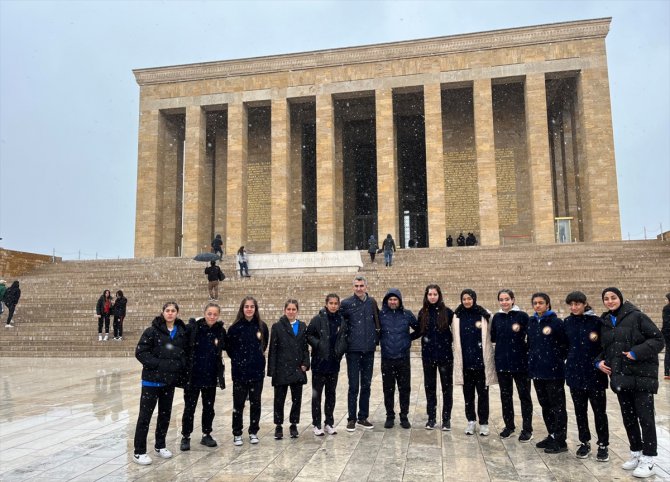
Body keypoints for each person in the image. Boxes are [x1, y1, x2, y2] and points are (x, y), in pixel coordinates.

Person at [597, 287, 664, 478]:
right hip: (621, 377)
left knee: (646, 418)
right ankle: (636, 452)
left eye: (613, 298)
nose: (610, 301)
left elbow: (658, 339)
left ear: (620, 298)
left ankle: (649, 459)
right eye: (606, 299)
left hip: (641, 376)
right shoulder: (606, 322)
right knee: (628, 418)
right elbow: (607, 348)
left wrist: (636, 352)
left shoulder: (637, 316)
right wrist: (599, 361)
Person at [132, 301, 187, 465]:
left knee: (165, 414)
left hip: (168, 382)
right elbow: (140, 352)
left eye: (173, 311)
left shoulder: (180, 333)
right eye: (167, 310)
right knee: (145, 416)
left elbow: (183, 353)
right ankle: (139, 451)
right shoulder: (152, 331)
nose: (170, 313)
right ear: (163, 312)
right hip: (151, 381)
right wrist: (159, 364)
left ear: (177, 313)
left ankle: (160, 444)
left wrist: (179, 366)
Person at [564, 291, 609, 461]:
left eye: (577, 304)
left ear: (585, 304)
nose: (574, 307)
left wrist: (600, 362)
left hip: (595, 375)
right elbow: (564, 346)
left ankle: (603, 444)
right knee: (580, 411)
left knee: (599, 412)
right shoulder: (567, 322)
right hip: (575, 375)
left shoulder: (597, 322)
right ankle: (584, 442)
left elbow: (605, 346)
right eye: (571, 304)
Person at [180, 303, 227, 452]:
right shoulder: (193, 328)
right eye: (209, 314)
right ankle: (186, 436)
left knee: (209, 407)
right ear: (204, 313)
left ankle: (206, 434)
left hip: (211, 375)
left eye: (215, 314)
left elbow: (228, 346)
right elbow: (182, 346)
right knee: (190, 407)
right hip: (193, 375)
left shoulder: (220, 331)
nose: (212, 317)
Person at [490, 289, 533, 442]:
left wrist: (524, 351)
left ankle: (527, 429)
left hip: (520, 363)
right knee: (505, 396)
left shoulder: (522, 316)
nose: (504, 302)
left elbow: (531, 336)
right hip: (502, 362)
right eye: (501, 300)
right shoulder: (497, 317)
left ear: (513, 300)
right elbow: (493, 336)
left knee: (524, 396)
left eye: (507, 299)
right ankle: (509, 426)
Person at [528, 292, 568, 454]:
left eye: (541, 303)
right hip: (537, 371)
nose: (538, 305)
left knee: (557, 406)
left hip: (553, 372)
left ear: (548, 304)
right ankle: (551, 434)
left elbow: (565, 345)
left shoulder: (556, 323)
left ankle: (560, 440)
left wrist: (555, 359)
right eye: (535, 303)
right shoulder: (531, 322)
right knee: (545, 405)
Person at [226, 296, 269, 446]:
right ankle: (237, 432)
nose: (249, 309)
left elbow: (263, 346)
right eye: (246, 306)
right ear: (242, 309)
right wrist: (240, 361)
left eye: (252, 306)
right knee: (238, 404)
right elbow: (230, 350)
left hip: (256, 372)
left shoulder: (262, 326)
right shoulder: (234, 328)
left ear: (255, 309)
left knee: (255, 403)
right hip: (240, 372)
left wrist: (255, 360)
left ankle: (253, 431)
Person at [453, 289, 496, 436]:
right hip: (465, 363)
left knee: (483, 394)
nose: (467, 301)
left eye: (469, 298)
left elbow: (493, 332)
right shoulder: (457, 316)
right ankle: (471, 420)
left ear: (474, 299)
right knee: (468, 395)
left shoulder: (483, 314)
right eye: (464, 299)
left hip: (481, 363)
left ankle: (483, 423)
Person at [340, 276, 380, 431]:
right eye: (356, 285)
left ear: (366, 287)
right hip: (353, 351)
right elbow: (339, 321)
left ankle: (363, 417)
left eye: (361, 285)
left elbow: (378, 320)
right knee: (353, 385)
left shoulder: (372, 303)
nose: (359, 288)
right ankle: (351, 418)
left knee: (366, 385)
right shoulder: (346, 304)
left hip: (368, 350)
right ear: (353, 287)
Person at [268, 299, 309, 440]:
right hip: (281, 368)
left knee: (296, 399)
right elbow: (273, 349)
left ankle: (294, 424)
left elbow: (305, 348)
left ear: (297, 311)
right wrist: (271, 371)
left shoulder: (302, 326)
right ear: (284, 310)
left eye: (294, 309)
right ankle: (278, 425)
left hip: (297, 368)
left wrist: (305, 363)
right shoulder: (277, 326)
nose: (291, 312)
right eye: (289, 309)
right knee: (279, 399)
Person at [379, 288, 419, 429]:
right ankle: (390, 416)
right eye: (390, 299)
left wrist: (408, 339)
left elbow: (418, 329)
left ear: (399, 301)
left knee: (404, 389)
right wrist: (381, 341)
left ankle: (404, 416)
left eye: (395, 299)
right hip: (387, 358)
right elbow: (376, 331)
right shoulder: (381, 315)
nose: (393, 302)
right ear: (386, 301)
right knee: (388, 389)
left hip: (403, 358)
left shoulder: (406, 314)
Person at [418, 284, 454, 431]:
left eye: (435, 294)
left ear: (439, 295)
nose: (432, 297)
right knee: (430, 387)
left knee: (447, 388)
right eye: (430, 294)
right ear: (426, 296)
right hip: (428, 356)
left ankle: (446, 419)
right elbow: (419, 331)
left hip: (445, 356)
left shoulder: (448, 312)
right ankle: (431, 417)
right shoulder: (423, 312)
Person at [306, 294, 344, 436]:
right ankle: (316, 424)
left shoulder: (341, 320)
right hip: (319, 364)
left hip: (333, 364)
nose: (333, 306)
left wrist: (340, 351)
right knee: (317, 396)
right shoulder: (318, 319)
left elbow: (344, 337)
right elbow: (309, 335)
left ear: (339, 305)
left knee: (331, 394)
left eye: (336, 303)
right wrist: (319, 345)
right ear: (326, 304)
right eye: (331, 303)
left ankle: (329, 422)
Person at [662, 292, 670, 380]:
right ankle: (667, 372)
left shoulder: (667, 308)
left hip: (668, 333)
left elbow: (666, 322)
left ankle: (667, 372)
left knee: (668, 352)